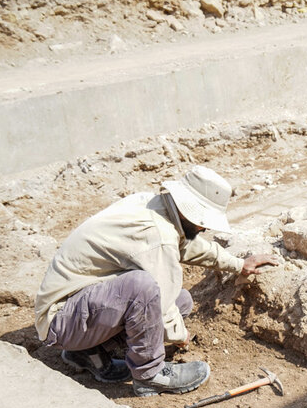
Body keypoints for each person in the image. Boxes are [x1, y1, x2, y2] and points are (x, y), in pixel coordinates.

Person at [34, 166, 278, 396]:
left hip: (77, 310)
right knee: (143, 288)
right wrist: (179, 334)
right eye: (203, 220)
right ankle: (149, 374)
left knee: (180, 300)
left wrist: (238, 264)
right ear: (188, 209)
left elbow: (189, 246)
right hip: (60, 320)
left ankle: (87, 353)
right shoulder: (155, 233)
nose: (204, 228)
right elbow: (160, 302)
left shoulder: (155, 207)